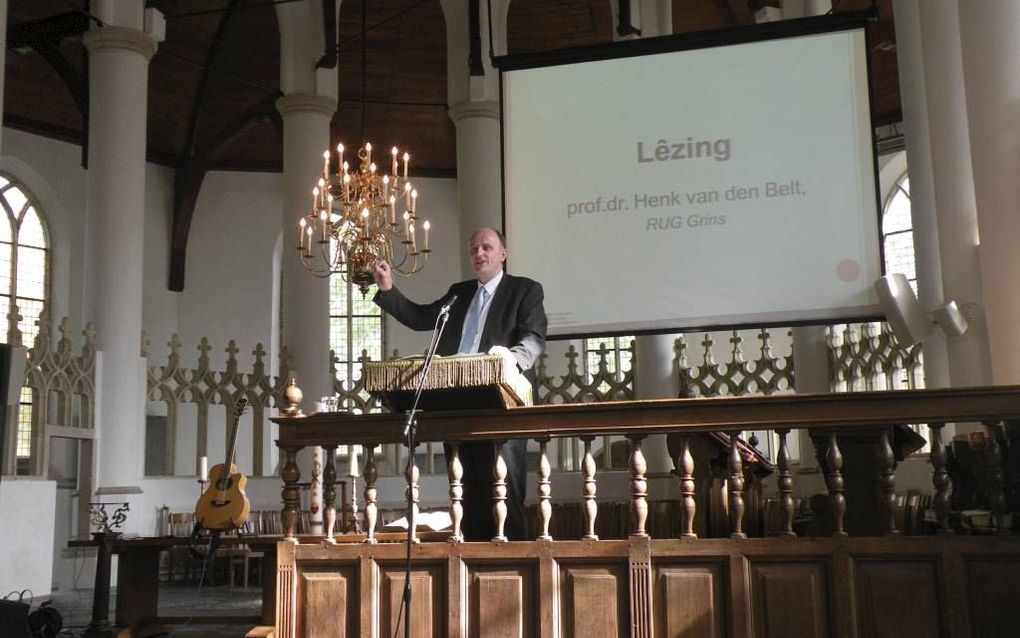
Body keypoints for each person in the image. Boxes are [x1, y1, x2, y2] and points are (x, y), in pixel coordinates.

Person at [371, 227, 547, 541]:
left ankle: (515, 569)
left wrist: (510, 360)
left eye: (487, 247)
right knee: (467, 493)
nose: (479, 254)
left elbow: (532, 339)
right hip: (458, 400)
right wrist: (388, 290)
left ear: (503, 255)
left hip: (500, 402)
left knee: (504, 492)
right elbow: (422, 317)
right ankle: (472, 566)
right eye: (474, 248)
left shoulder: (525, 290)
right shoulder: (459, 293)